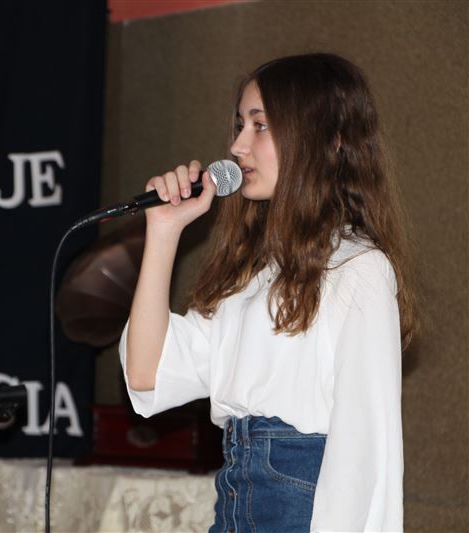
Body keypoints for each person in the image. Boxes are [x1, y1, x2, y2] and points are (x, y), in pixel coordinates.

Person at [119, 53, 416, 532]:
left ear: (327, 139)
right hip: (236, 498)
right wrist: (163, 232)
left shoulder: (358, 268)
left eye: (260, 126)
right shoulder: (249, 276)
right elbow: (147, 373)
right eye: (240, 125)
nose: (237, 145)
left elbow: (364, 449)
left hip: (302, 504)